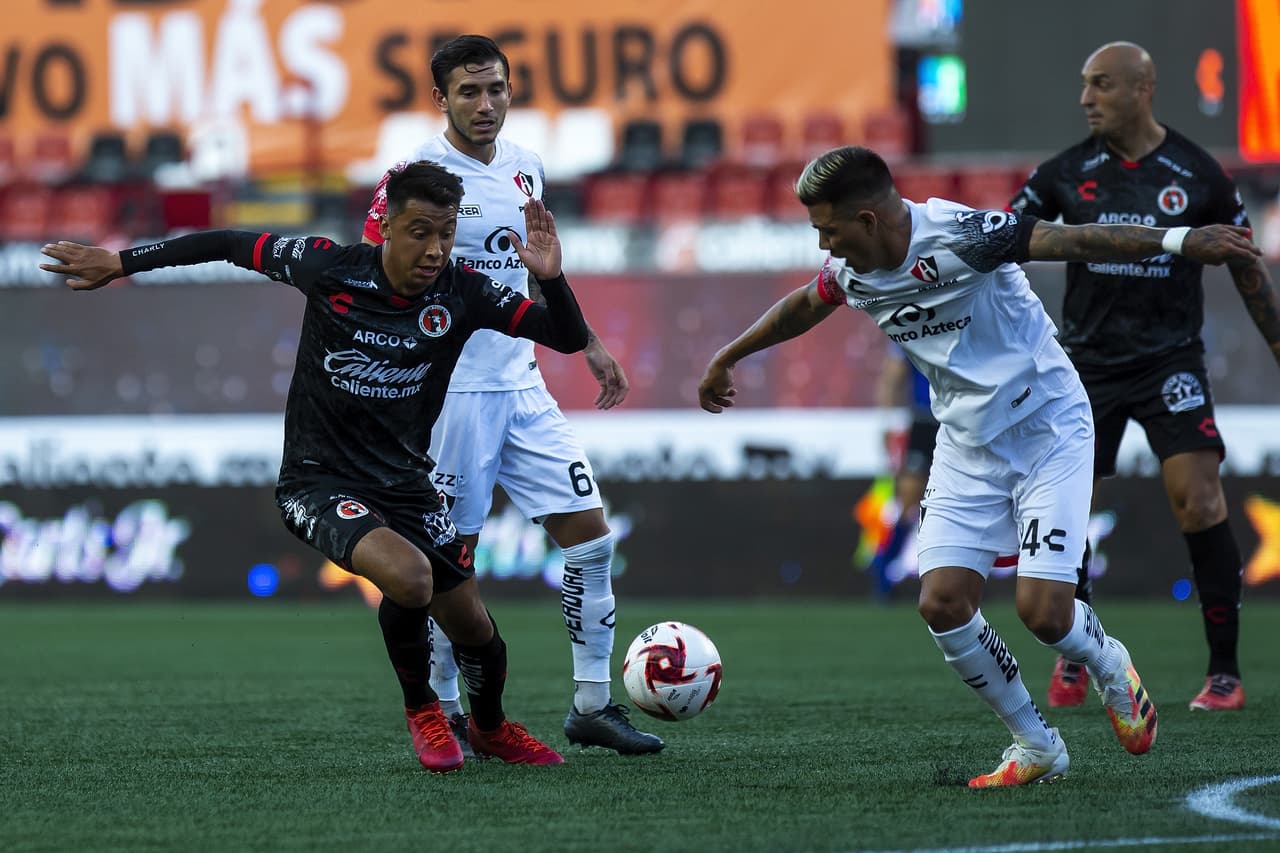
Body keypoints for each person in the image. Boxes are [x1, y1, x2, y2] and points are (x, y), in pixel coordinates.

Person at [698, 145, 1259, 786]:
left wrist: (1183, 240)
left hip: (1048, 428)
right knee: (941, 603)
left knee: (1045, 614)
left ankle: (1107, 660)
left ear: (870, 220)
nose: (822, 241)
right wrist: (727, 357)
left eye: (828, 227)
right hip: (967, 445)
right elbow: (804, 304)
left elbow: (1074, 239)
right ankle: (1034, 742)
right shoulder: (851, 271)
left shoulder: (964, 234)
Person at [39, 161, 586, 773]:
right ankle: (423, 709)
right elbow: (226, 242)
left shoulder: (462, 291)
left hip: (407, 485)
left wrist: (553, 279)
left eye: (447, 232)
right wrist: (122, 263)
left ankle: (489, 728)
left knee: (476, 630)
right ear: (385, 227)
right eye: (420, 231)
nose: (435, 249)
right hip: (317, 481)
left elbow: (563, 336)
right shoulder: (329, 267)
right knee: (409, 579)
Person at [361, 35, 662, 755]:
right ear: (441, 99)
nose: (486, 104)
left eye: (496, 88)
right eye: (469, 92)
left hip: (523, 384)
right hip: (452, 397)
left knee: (591, 537)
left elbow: (536, 269)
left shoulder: (528, 166)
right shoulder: (416, 177)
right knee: (445, 565)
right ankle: (447, 709)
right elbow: (374, 266)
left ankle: (592, 704)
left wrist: (582, 338)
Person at [1009, 41, 1280, 712]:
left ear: (1142, 89)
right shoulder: (1063, 174)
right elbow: (1004, 242)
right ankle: (1079, 652)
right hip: (1086, 367)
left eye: (1100, 85)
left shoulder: (1200, 174)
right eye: (1084, 84)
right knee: (1069, 507)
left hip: (1170, 362)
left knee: (1200, 499)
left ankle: (1224, 673)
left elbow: (1246, 267)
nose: (1085, 98)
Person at [867, 344, 939, 597]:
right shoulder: (909, 325)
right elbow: (892, 377)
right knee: (909, 500)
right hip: (924, 421)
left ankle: (967, 576)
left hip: (959, 422)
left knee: (966, 498)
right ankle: (883, 570)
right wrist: (887, 422)